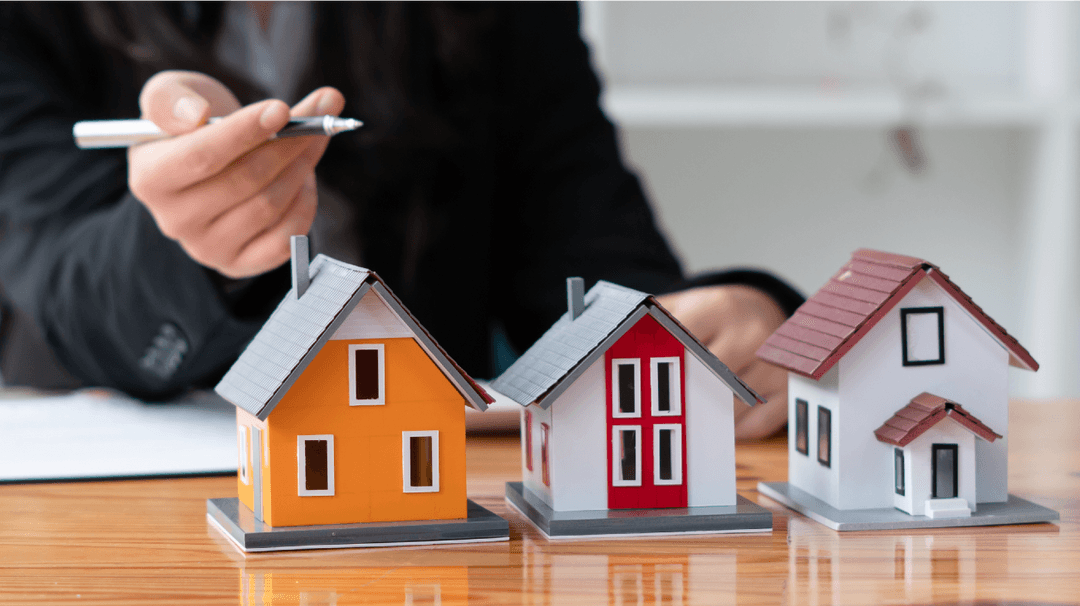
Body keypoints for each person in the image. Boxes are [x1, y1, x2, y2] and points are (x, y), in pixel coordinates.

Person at [0, 2, 801, 439]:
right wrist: (191, 241)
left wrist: (735, 310)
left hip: (416, 513)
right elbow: (56, 282)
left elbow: (600, 266)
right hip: (105, 512)